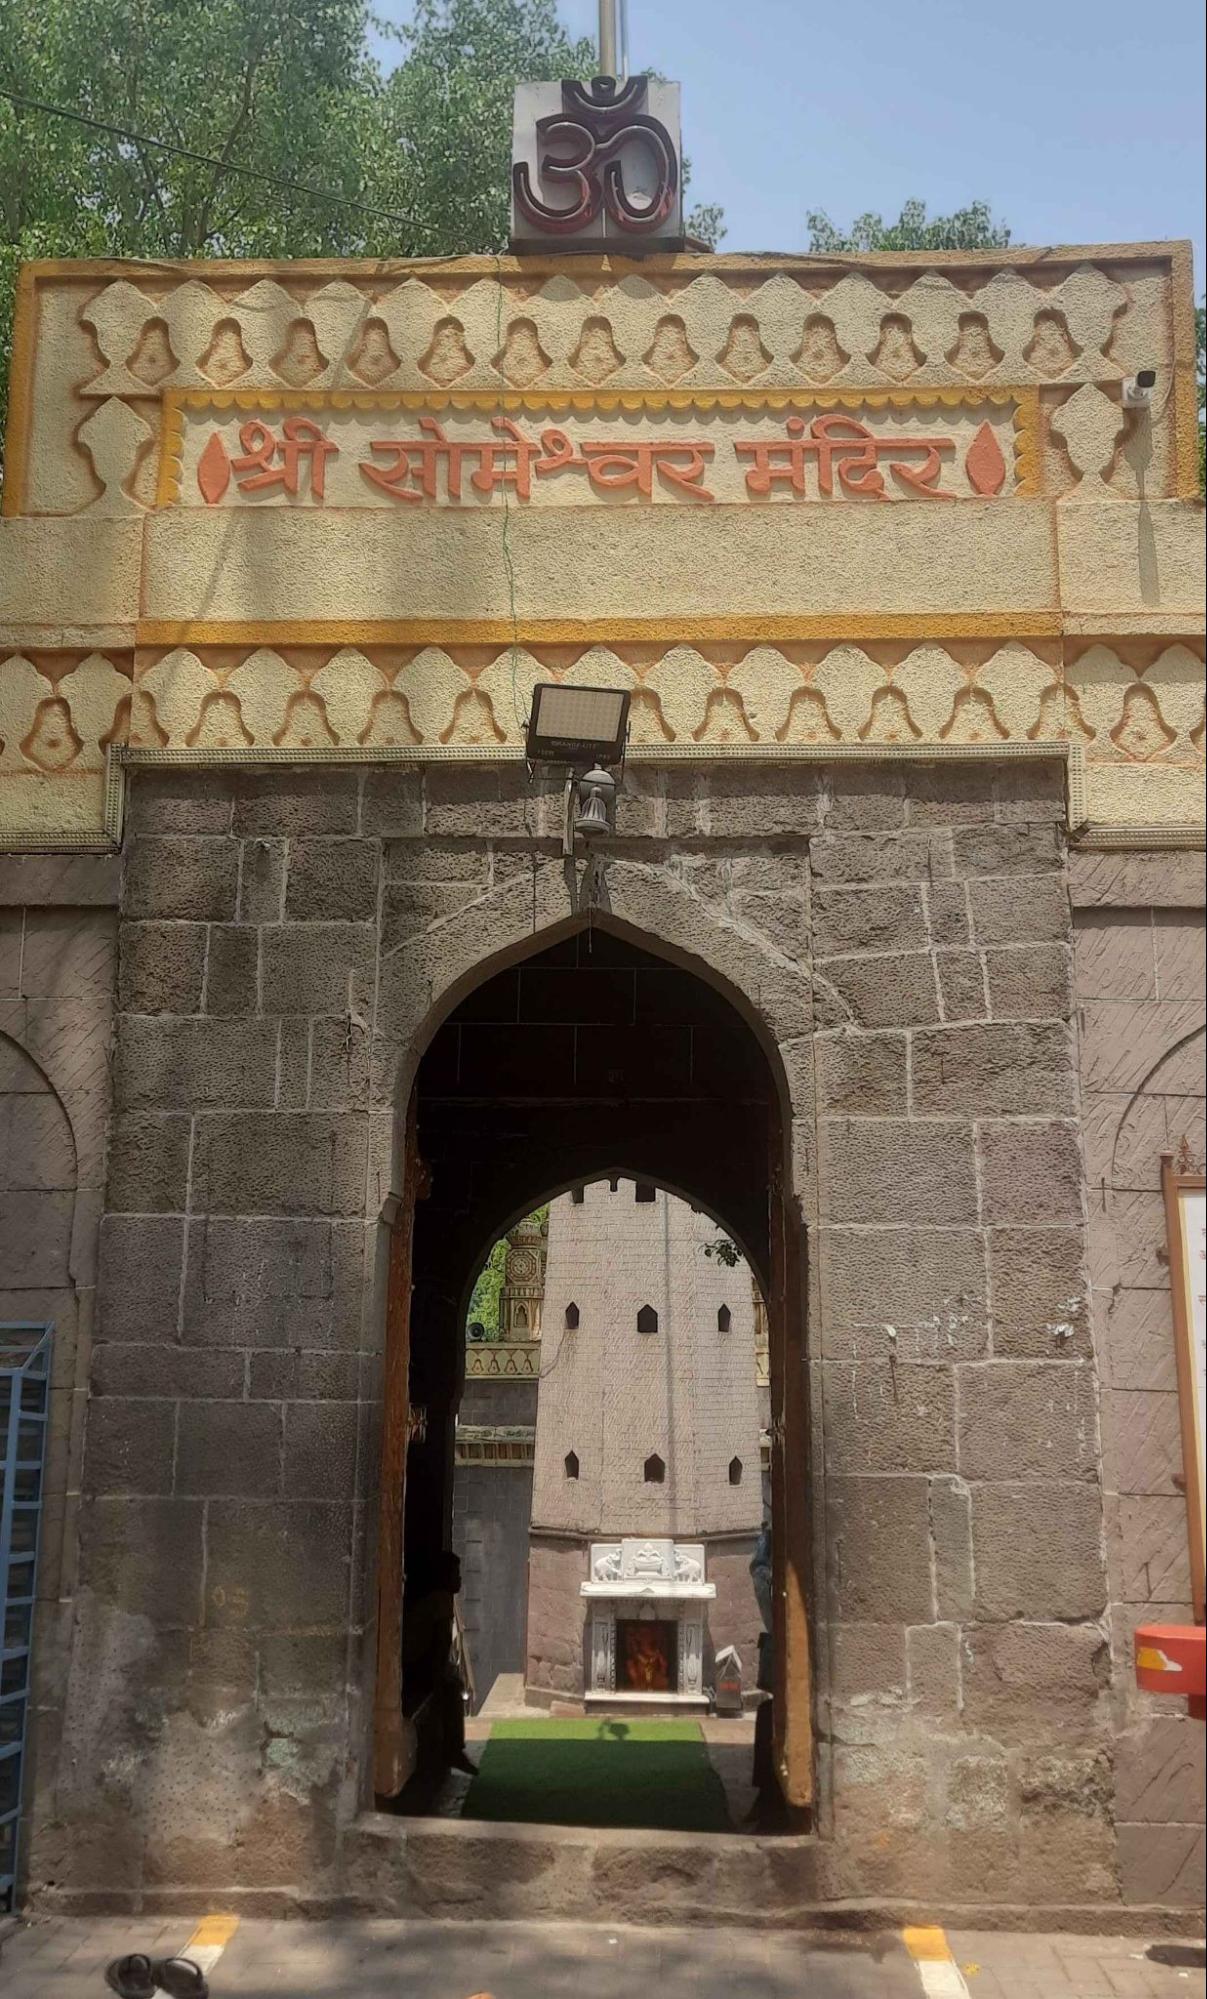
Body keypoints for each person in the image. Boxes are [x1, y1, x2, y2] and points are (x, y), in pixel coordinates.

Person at [402, 1548, 475, 1777]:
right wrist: (440, 1680)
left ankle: (451, 1750)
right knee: (452, 1688)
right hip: (412, 1666)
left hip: (416, 1663)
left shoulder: (440, 1599)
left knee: (452, 1683)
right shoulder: (441, 1600)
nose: (460, 1579)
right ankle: (453, 1750)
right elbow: (441, 1647)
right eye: (455, 1574)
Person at [747, 1517, 788, 1830]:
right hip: (779, 1648)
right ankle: (768, 1800)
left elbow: (759, 1570)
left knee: (772, 1717)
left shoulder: (772, 1583)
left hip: (785, 1650)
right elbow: (759, 1570)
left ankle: (771, 1802)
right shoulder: (769, 1579)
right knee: (768, 1716)